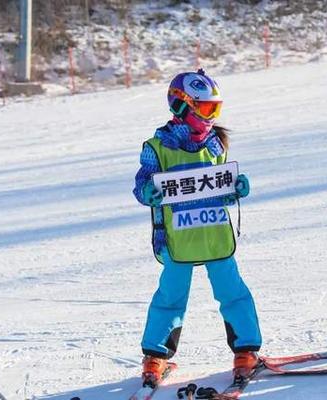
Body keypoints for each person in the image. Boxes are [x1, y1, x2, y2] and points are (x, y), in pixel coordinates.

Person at [132, 69, 262, 388]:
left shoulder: (216, 145)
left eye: (215, 109)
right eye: (205, 109)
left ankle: (245, 350)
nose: (211, 117)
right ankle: (155, 355)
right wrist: (148, 191)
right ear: (182, 106)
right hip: (177, 237)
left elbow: (220, 187)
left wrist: (235, 190)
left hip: (214, 233)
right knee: (170, 296)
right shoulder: (157, 146)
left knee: (232, 292)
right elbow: (142, 183)